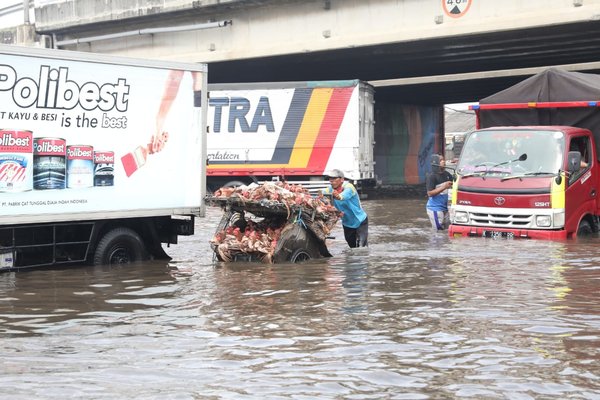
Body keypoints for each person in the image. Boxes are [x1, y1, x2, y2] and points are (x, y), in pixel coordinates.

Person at [322, 169, 368, 248]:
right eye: (330, 179)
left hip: (360, 220)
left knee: (361, 247)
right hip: (347, 223)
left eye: (334, 178)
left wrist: (338, 196)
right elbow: (321, 194)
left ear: (342, 179)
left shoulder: (349, 187)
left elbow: (344, 195)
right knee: (352, 247)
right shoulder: (329, 190)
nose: (331, 181)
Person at [426, 154, 454, 231]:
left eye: (443, 160)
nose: (443, 162)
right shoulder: (432, 176)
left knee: (447, 230)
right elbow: (430, 193)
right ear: (436, 163)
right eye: (441, 160)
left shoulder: (447, 175)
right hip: (435, 209)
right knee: (438, 231)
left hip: (444, 208)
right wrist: (444, 186)